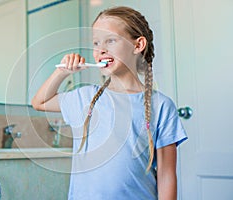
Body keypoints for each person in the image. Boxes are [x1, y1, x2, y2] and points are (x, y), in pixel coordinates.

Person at [32, 6, 187, 200]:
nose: (101, 49)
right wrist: (62, 72)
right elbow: (40, 102)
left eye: (111, 40)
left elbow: (166, 176)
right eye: (96, 43)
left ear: (138, 45)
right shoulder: (84, 98)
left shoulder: (161, 106)